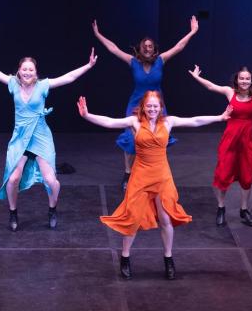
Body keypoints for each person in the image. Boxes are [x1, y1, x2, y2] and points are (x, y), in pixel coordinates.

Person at [77, 91, 231, 279]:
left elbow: (195, 120)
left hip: (162, 175)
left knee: (165, 219)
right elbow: (110, 122)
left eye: (155, 106)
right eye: (149, 106)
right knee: (132, 217)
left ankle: (168, 259)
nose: (152, 109)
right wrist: (87, 115)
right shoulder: (134, 122)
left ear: (160, 108)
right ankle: (125, 258)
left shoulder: (168, 122)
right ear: (143, 106)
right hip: (140, 175)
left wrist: (220, 117)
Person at [0, 41, 96, 231]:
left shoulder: (43, 85)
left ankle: (52, 208)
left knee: (51, 181)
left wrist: (88, 65)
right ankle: (13, 212)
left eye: (31, 69)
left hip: (40, 136)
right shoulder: (13, 83)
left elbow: (68, 77)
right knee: (13, 179)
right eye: (24, 69)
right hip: (20, 138)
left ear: (36, 72)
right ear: (19, 71)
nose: (27, 72)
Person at [92, 16, 199, 190]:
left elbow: (179, 46)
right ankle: (128, 173)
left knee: (158, 136)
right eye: (145, 46)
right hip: (136, 103)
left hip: (156, 104)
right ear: (140, 49)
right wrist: (98, 34)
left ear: (154, 49)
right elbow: (113, 49)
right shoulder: (133, 62)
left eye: (150, 46)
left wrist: (192, 32)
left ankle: (156, 171)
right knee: (130, 138)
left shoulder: (161, 60)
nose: (148, 49)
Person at [188, 61, 252, 227]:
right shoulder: (230, 92)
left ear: (251, 81)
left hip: (247, 141)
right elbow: (211, 86)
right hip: (230, 140)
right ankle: (221, 208)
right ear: (237, 80)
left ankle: (244, 210)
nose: (244, 81)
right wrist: (197, 77)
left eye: (247, 79)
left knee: (247, 176)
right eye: (242, 78)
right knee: (223, 175)